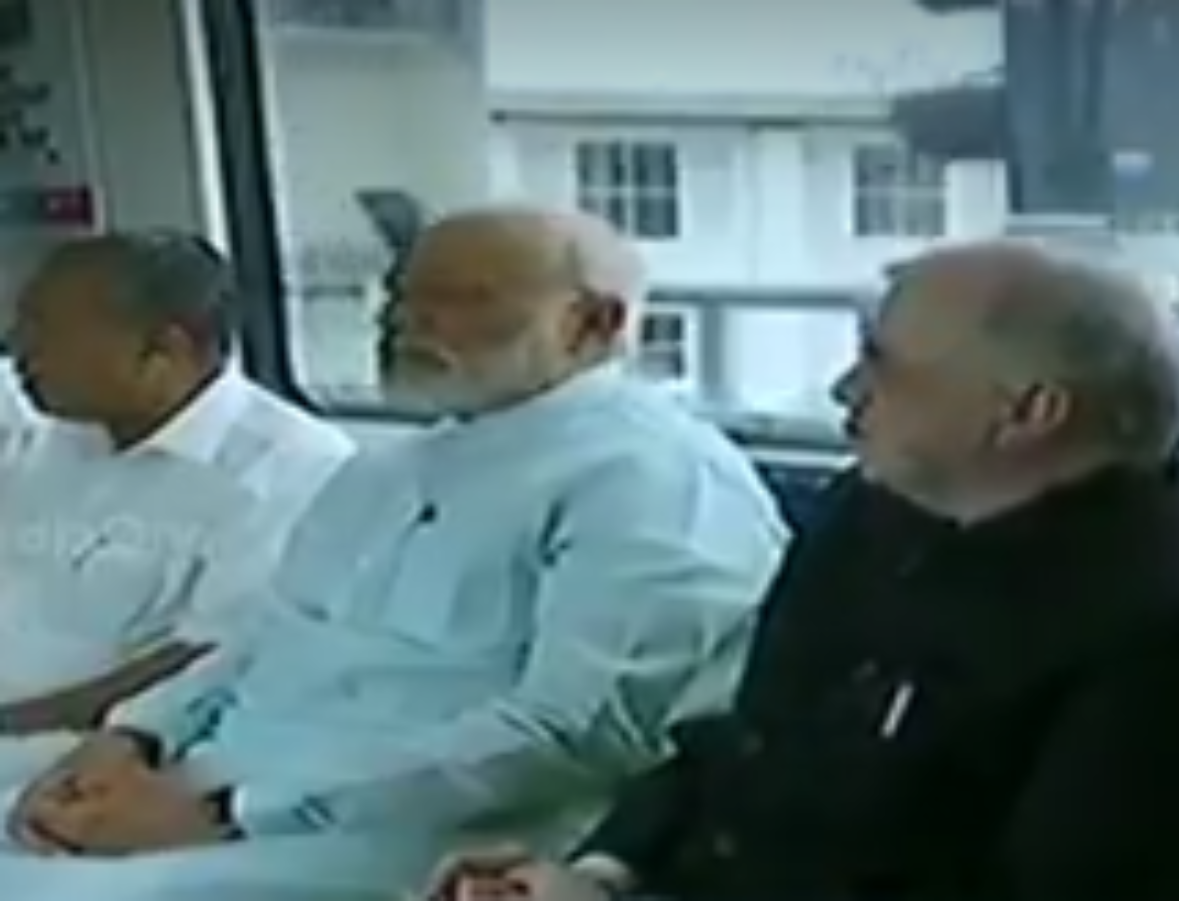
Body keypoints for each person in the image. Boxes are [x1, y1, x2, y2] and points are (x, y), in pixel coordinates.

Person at [431, 240, 1179, 901]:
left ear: (1026, 411)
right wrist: (600, 874)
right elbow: (744, 750)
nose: (846, 391)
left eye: (880, 363)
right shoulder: (872, 513)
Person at [0, 205, 786, 900]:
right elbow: (264, 637)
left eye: (461, 299)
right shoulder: (390, 467)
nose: (403, 320)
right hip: (219, 781)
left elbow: (571, 737)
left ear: (593, 324)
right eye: (402, 294)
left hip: (423, 834)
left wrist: (223, 811)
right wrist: (128, 741)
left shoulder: (655, 481)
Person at [0, 231, 352, 781]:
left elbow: (207, 661)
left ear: (166, 347)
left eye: (46, 330)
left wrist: (13, 721)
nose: (18, 348)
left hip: (92, 754)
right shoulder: (47, 443)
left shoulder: (286, 468)